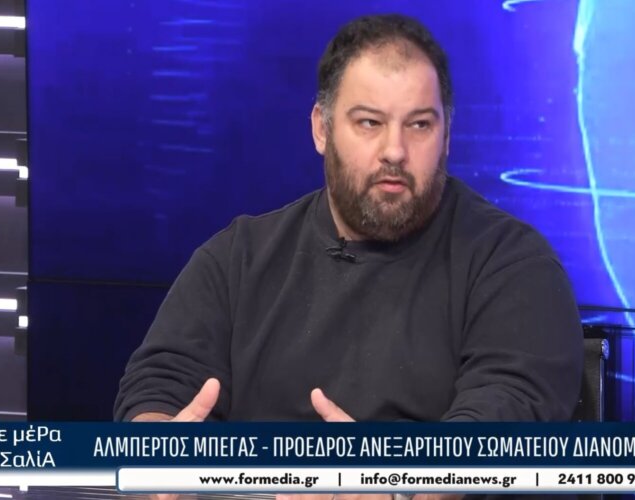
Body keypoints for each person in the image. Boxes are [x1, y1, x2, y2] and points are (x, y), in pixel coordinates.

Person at [114, 13, 582, 430]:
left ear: (447, 136)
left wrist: (391, 479)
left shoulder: (512, 265)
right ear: (322, 128)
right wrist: (158, 448)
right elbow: (158, 388)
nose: (395, 151)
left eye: (420, 124)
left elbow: (503, 418)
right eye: (369, 123)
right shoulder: (238, 259)